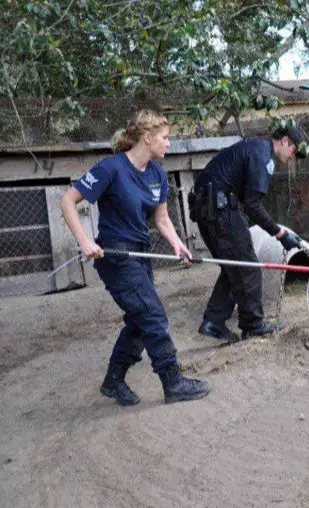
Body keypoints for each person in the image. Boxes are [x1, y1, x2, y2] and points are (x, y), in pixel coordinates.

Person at [60, 109, 210, 406]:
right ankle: (173, 381)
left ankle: (113, 380)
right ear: (147, 138)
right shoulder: (111, 169)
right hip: (115, 255)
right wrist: (85, 240)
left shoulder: (157, 174)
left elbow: (162, 219)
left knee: (140, 319)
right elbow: (68, 200)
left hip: (140, 253)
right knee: (153, 315)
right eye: (165, 138)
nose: (169, 144)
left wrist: (179, 245)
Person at [189, 122, 309, 343]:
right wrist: (280, 234)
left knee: (234, 267)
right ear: (285, 141)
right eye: (294, 151)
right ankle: (253, 325)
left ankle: (213, 322)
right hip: (219, 211)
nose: (293, 156)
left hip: (208, 210)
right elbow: (253, 205)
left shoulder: (256, 148)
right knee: (249, 267)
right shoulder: (262, 156)